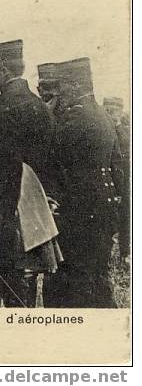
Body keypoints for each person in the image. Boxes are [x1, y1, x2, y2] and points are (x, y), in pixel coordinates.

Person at [0, 39, 55, 307]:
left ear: (3, 67)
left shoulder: (6, 105)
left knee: (9, 278)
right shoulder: (39, 105)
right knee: (27, 275)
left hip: (9, 207)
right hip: (35, 206)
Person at [43, 58, 121, 307]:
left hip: (80, 212)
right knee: (96, 279)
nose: (59, 92)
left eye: (63, 86)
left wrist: (48, 112)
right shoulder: (101, 114)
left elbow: (50, 148)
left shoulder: (76, 117)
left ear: (75, 85)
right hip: (100, 209)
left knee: (74, 283)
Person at [103, 96, 130, 263]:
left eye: (114, 109)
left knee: (126, 214)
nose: (110, 112)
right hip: (107, 175)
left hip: (124, 177)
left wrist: (118, 124)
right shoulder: (102, 124)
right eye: (108, 108)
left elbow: (127, 147)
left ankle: (125, 251)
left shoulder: (125, 128)